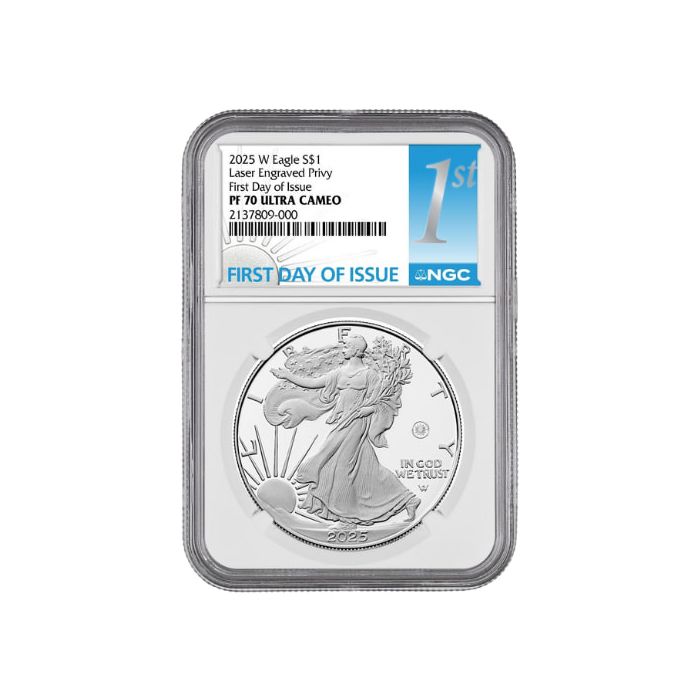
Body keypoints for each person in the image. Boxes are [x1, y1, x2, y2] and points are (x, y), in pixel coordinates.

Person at [270, 335, 420, 526]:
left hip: (358, 422)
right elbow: (314, 383)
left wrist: (369, 409)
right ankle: (406, 499)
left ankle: (346, 511)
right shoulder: (339, 373)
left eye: (347, 347)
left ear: (356, 351)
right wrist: (288, 376)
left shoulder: (370, 375)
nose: (343, 350)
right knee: (366, 467)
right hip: (343, 421)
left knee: (339, 462)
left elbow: (382, 401)